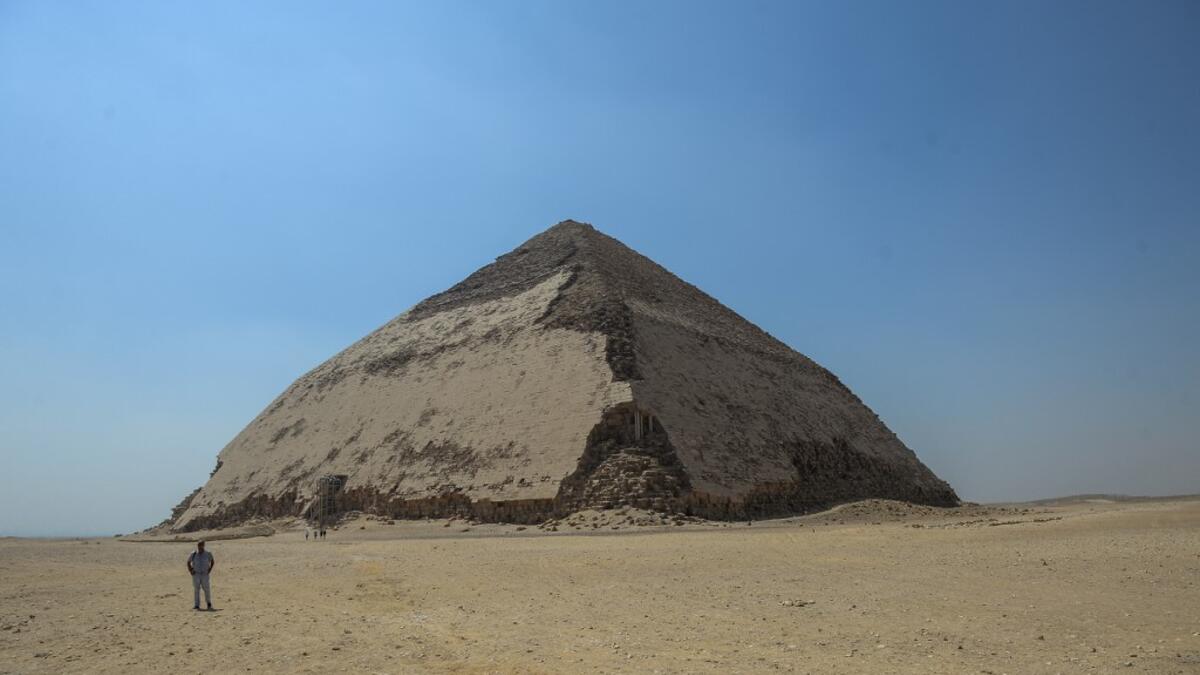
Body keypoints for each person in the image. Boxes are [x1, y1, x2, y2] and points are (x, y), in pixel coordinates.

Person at [186, 540, 215, 610]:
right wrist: (190, 570)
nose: (199, 547)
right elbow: (188, 562)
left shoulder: (208, 553)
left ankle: (208, 603)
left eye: (201, 545)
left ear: (203, 545)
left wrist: (210, 569)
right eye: (198, 545)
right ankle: (196, 605)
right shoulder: (193, 554)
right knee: (196, 589)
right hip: (196, 574)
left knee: (207, 589)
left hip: (205, 574)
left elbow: (212, 561)